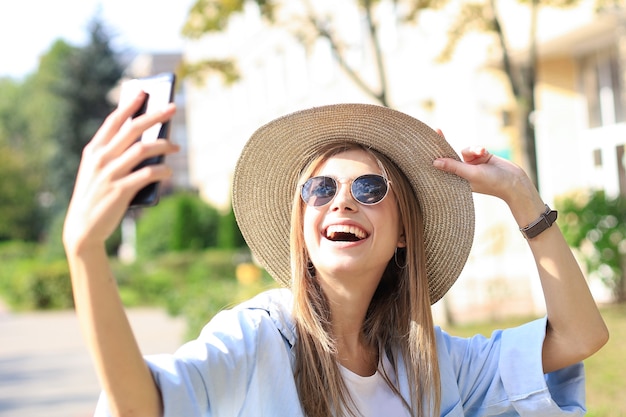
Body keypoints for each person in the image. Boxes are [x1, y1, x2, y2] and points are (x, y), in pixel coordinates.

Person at [63, 92, 609, 417]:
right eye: (319, 190)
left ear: (403, 234)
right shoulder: (257, 338)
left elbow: (581, 337)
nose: (342, 201)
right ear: (302, 225)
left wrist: (522, 197)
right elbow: (140, 406)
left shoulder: (429, 363)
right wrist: (86, 253)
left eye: (370, 189)